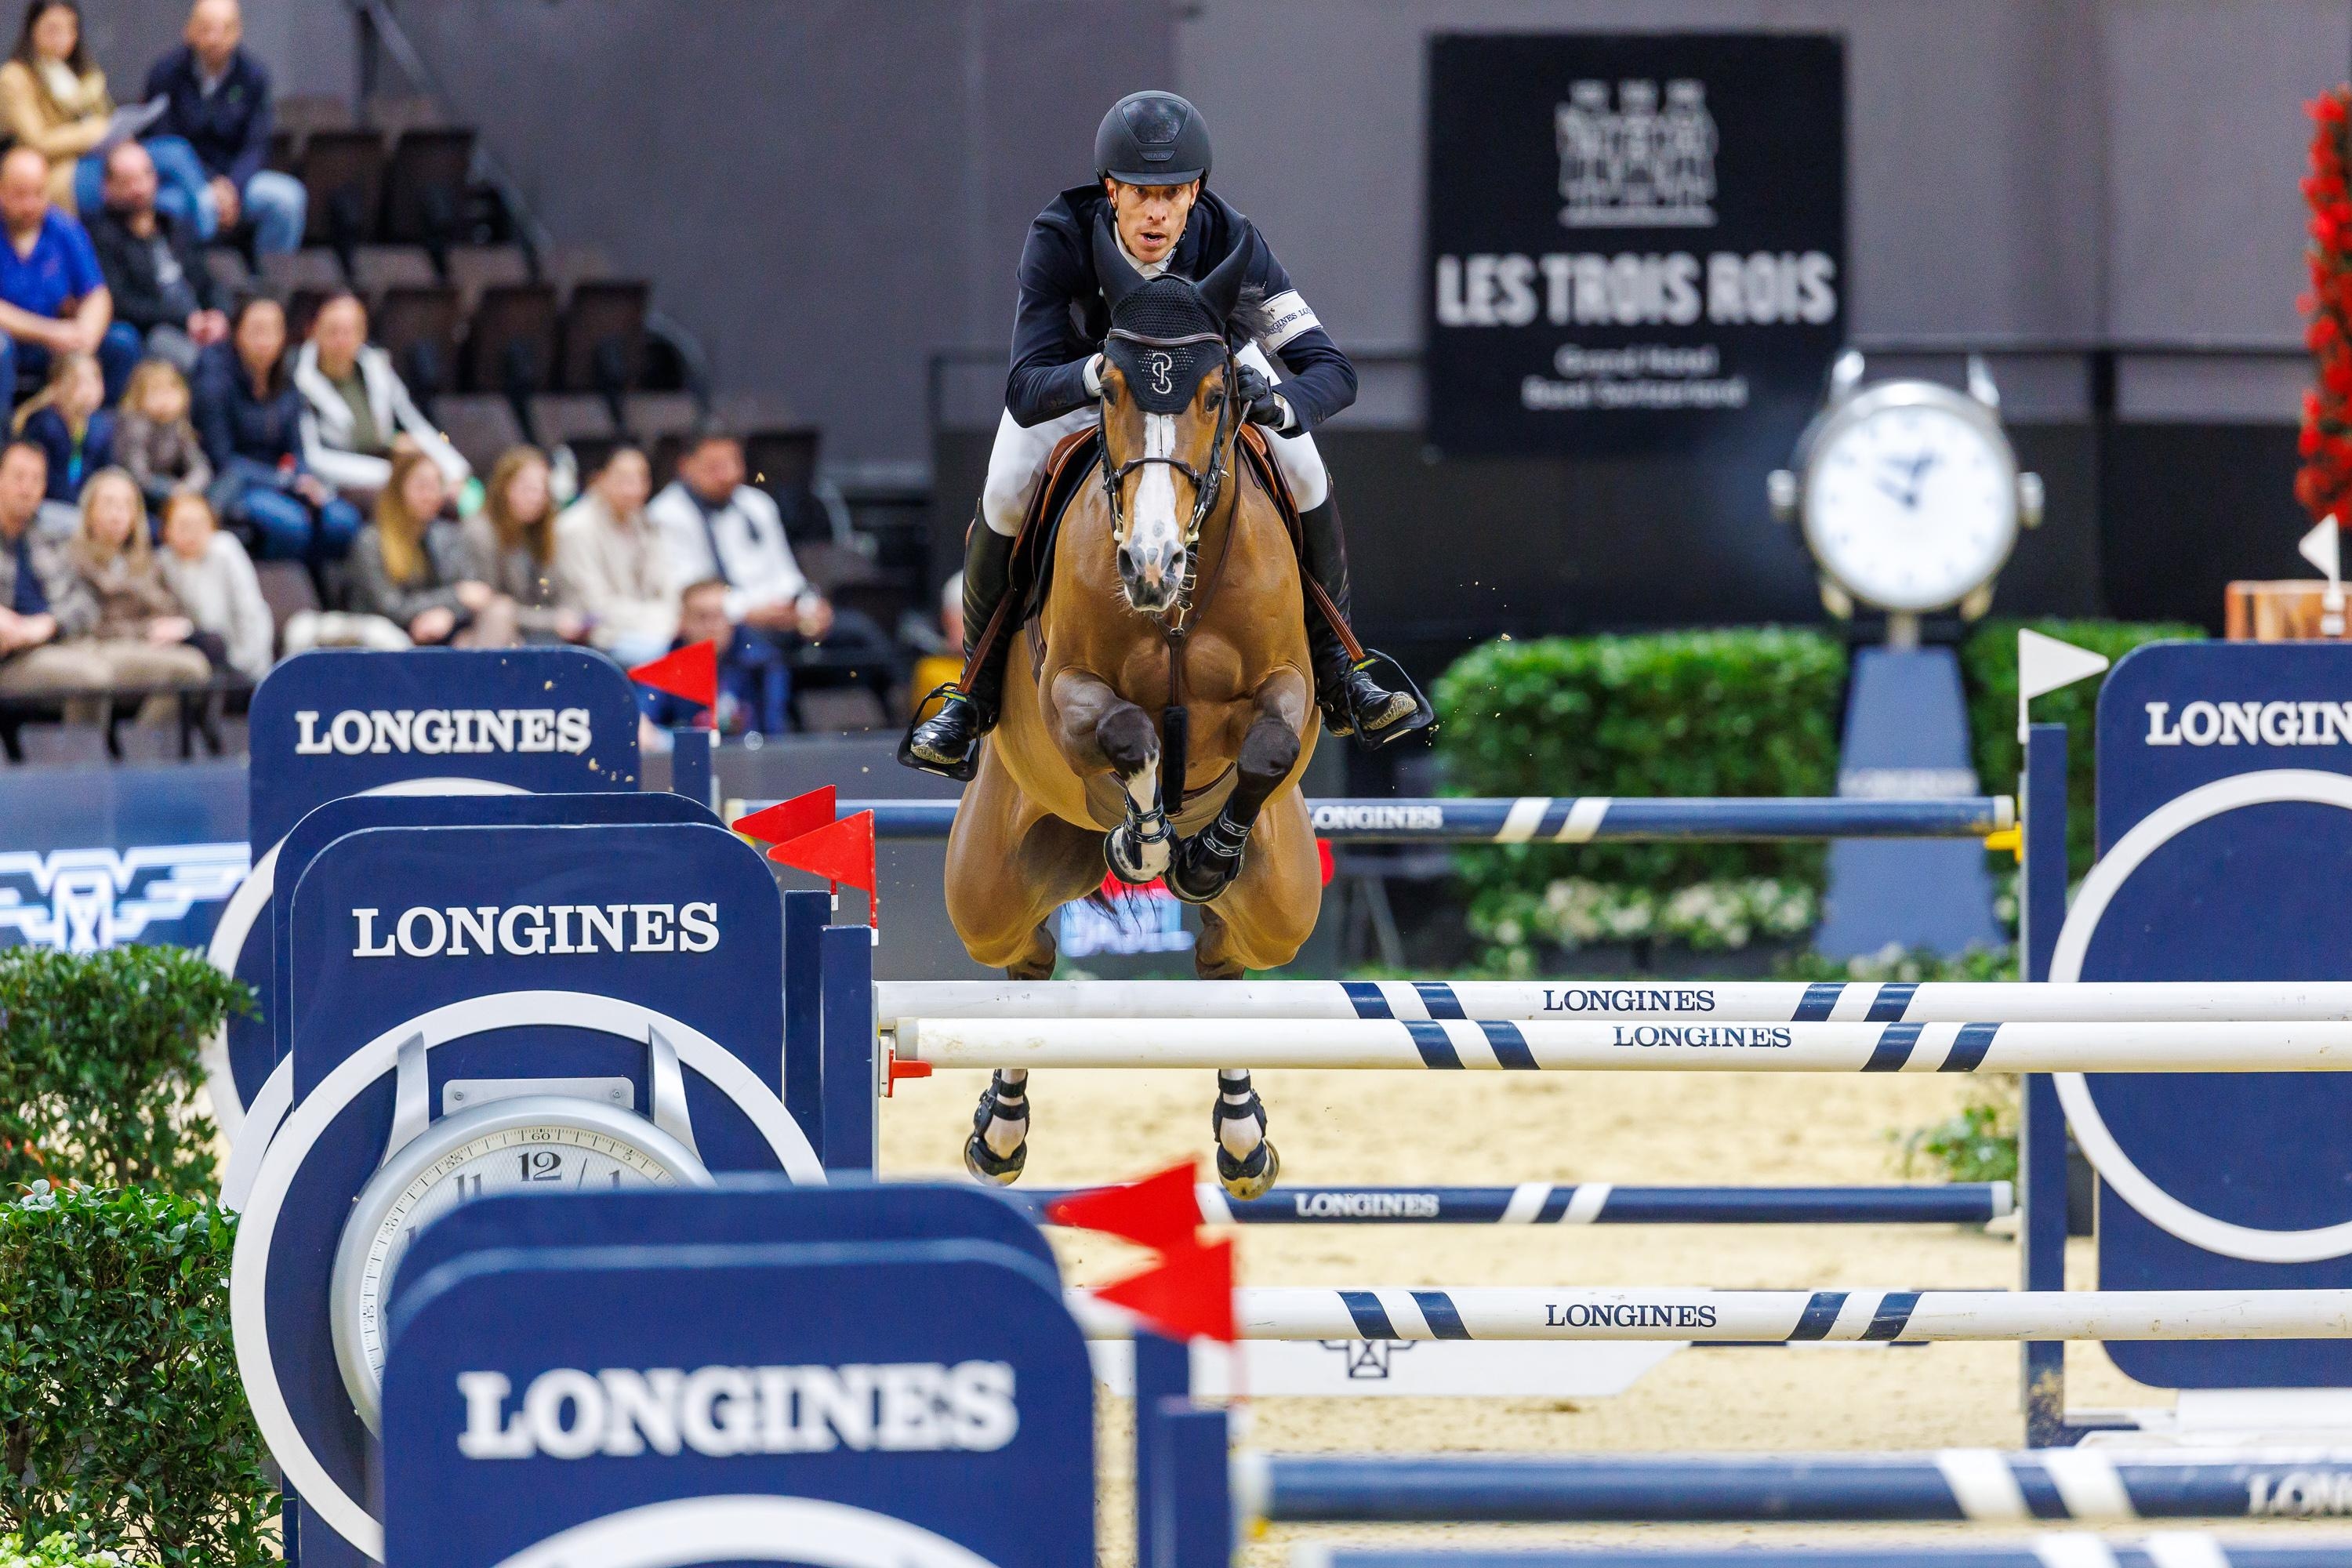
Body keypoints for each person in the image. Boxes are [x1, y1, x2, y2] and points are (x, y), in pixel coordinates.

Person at [904, 90, 1424, 775]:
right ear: (1110, 189)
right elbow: (1026, 386)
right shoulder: (1060, 236)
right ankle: (972, 696)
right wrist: (1100, 376)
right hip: (1089, 382)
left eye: (1174, 193)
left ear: (1196, 192)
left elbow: (1329, 368)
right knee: (1003, 492)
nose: (1157, 212)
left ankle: (1340, 669)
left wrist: (1281, 404)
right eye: (1141, 193)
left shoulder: (1233, 240)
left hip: (1203, 387)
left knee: (1303, 471)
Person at [0, 1, 212, 232]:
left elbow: (108, 119)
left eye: (71, 29)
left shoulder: (82, 74)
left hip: (104, 157)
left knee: (175, 156)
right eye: (53, 29)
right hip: (62, 173)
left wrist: (119, 132)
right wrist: (89, 134)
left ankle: (207, 230)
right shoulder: (15, 78)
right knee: (143, 192)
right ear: (32, 29)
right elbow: (37, 142)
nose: (63, 37)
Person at [194, 294, 360, 561]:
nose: (266, 340)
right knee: (290, 525)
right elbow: (223, 460)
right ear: (237, 333)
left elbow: (297, 447)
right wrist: (287, 481)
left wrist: (305, 478)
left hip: (283, 482)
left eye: (273, 330)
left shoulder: (288, 379)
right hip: (234, 484)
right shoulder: (214, 381)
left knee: (343, 521)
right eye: (257, 330)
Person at [141, 0, 306, 256]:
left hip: (237, 182)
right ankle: (182, 285)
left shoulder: (254, 77)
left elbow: (257, 144)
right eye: (206, 28)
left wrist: (232, 187)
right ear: (189, 30)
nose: (215, 38)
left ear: (238, 32)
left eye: (224, 29)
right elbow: (163, 141)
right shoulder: (166, 74)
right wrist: (208, 184)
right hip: (182, 183)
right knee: (167, 205)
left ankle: (267, 287)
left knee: (288, 199)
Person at [646, 428, 833, 644]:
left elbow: (786, 574)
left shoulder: (758, 504)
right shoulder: (665, 515)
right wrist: (747, 611)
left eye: (734, 463)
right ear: (686, 466)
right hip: (721, 623)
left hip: (781, 616)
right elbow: (688, 590)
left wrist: (808, 606)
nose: (728, 475)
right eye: (715, 467)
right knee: (752, 643)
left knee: (856, 632)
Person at [294, 292, 468, 506]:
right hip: (336, 483)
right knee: (418, 497)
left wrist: (453, 468)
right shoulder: (299, 378)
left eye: (350, 331)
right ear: (312, 332)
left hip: (389, 468)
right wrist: (392, 475)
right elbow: (313, 457)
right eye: (333, 331)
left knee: (460, 496)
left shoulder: (376, 366)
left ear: (363, 333)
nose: (342, 340)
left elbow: (413, 422)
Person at [0, 146, 126, 426]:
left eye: (38, 193)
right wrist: (50, 333)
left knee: (122, 343)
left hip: (58, 348)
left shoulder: (63, 229)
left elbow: (97, 294)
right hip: (15, 345)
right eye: (21, 194)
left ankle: (100, 439)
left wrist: (84, 337)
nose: (31, 204)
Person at [349, 445, 515, 648]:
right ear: (398, 490)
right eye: (422, 486)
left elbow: (475, 592)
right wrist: (453, 598)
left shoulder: (446, 534)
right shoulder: (371, 541)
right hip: (392, 636)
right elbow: (390, 607)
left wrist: (448, 614)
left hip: (443, 630)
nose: (431, 495)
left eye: (437, 486)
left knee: (499, 611)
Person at [64, 465, 211, 695]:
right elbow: (88, 623)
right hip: (102, 647)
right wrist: (147, 631)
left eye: (126, 506)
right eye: (109, 504)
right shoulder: (74, 559)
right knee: (191, 667)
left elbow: (179, 609)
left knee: (210, 646)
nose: (117, 514)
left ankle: (147, 730)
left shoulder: (148, 561)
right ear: (89, 512)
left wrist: (178, 627)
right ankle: (143, 733)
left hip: (153, 646)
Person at [88, 139, 227, 378]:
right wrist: (184, 320)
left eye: (143, 177)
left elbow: (206, 279)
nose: (139, 189)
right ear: (107, 188)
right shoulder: (101, 237)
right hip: (152, 332)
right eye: (127, 182)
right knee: (204, 367)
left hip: (196, 324)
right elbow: (121, 303)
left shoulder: (173, 226)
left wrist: (218, 313)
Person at [554, 444, 674, 667]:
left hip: (653, 627)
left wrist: (676, 617)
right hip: (599, 636)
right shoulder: (575, 528)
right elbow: (596, 606)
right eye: (624, 480)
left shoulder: (645, 521)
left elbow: (666, 584)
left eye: (641, 479)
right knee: (666, 653)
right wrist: (664, 620)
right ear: (599, 479)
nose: (634, 489)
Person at [0, 436, 99, 693]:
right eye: (19, 477)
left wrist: (49, 624)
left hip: (52, 643)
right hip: (8, 655)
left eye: (36, 479)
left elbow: (87, 604)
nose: (27, 488)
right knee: (92, 676)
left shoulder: (54, 537)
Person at [635, 577, 792, 739]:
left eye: (719, 615)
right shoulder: (664, 667)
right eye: (701, 617)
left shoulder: (761, 664)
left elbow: (775, 732)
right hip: (691, 759)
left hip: (749, 758)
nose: (712, 626)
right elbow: (642, 720)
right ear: (683, 622)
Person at [461, 445, 586, 644]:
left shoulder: (547, 530)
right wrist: (552, 620)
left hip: (543, 632)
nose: (536, 498)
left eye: (542, 490)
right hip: (499, 631)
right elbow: (490, 606)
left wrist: (572, 616)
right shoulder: (481, 532)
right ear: (504, 488)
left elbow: (563, 589)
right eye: (528, 489)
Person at [154, 488, 266, 678]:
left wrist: (245, 665)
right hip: (195, 660)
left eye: (199, 524)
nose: (192, 533)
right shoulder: (162, 561)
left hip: (241, 663)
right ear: (166, 531)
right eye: (183, 526)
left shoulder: (225, 550)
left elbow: (251, 613)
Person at [114, 357, 209, 510]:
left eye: (170, 390)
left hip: (172, 496)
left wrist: (188, 488)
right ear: (139, 395)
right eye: (156, 391)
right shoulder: (134, 424)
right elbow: (139, 476)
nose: (165, 399)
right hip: (137, 500)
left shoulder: (179, 425)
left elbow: (199, 466)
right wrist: (172, 491)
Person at [13, 347, 107, 502]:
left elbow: (102, 474)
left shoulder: (101, 427)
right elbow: (44, 479)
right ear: (58, 385)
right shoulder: (45, 423)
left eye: (95, 379)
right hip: (47, 504)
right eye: (80, 381)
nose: (90, 389)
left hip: (81, 507)